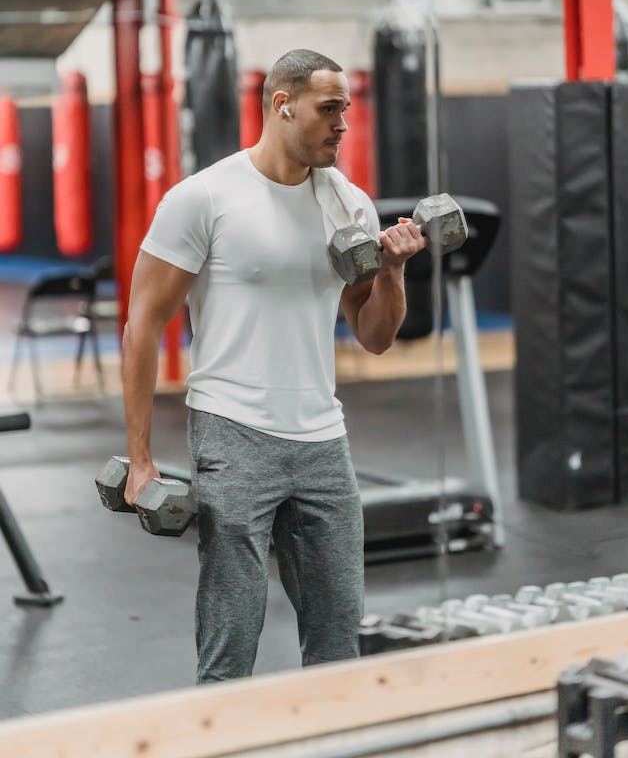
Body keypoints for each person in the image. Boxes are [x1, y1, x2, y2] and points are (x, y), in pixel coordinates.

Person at [122, 48, 425, 683]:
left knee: (340, 635)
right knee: (231, 638)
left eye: (346, 109)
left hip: (323, 438)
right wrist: (141, 456)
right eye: (329, 108)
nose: (342, 123)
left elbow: (374, 337)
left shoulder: (350, 206)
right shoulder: (203, 198)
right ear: (282, 106)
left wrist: (393, 270)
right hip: (233, 433)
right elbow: (143, 325)